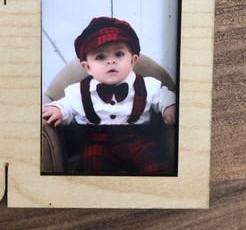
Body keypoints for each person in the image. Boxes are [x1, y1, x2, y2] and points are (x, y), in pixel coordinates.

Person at [42, 17, 176, 174]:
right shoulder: (79, 91)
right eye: (100, 57)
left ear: (133, 60)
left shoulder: (147, 85)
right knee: (92, 166)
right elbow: (66, 105)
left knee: (155, 162)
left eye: (119, 54)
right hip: (96, 145)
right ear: (87, 67)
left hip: (136, 142)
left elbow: (163, 95)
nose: (111, 61)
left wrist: (169, 106)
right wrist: (58, 110)